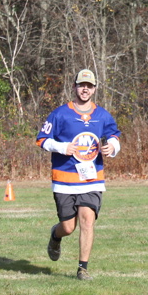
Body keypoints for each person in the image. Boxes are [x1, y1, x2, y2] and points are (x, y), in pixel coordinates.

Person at [36, 69, 121, 280]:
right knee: (68, 227)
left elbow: (114, 136)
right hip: (64, 179)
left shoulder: (102, 115)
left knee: (87, 220)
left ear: (94, 89)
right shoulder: (59, 114)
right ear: (74, 87)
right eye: (81, 85)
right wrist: (62, 147)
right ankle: (55, 235)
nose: (85, 89)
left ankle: (83, 268)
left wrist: (112, 146)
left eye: (89, 86)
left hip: (92, 178)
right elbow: (42, 139)